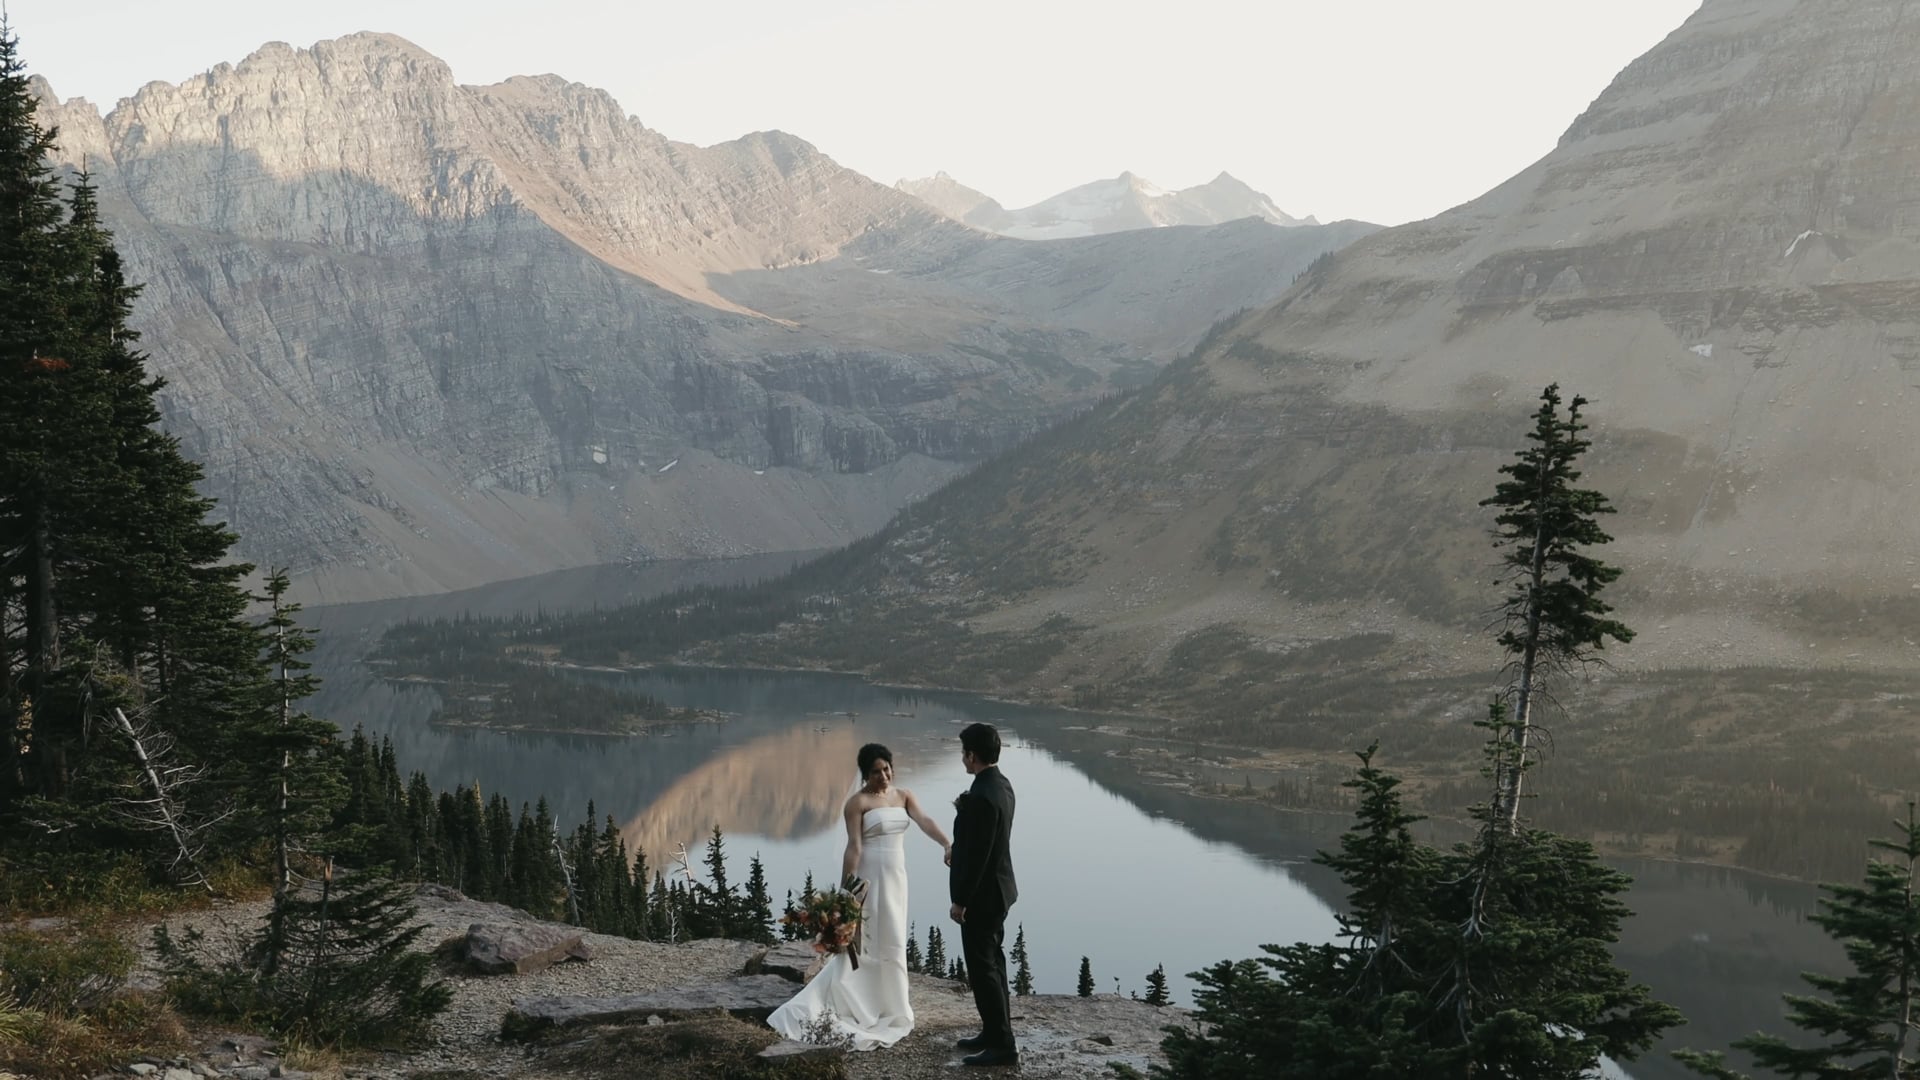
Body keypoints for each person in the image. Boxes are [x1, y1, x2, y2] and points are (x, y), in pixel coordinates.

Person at [768, 743, 951, 1050]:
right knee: (866, 941)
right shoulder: (857, 803)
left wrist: (947, 843)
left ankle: (893, 1005)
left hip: (897, 878)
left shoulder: (904, 796)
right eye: (877, 771)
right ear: (865, 774)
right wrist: (844, 891)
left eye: (887, 768)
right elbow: (854, 847)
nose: (884, 775)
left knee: (892, 938)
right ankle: (859, 1001)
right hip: (870, 878)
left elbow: (925, 821)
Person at [948, 722, 1018, 1067]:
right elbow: (986, 844)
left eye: (964, 752)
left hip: (982, 897)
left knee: (983, 970)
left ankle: (1002, 1045)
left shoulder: (981, 796)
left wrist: (960, 900)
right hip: (1000, 890)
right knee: (995, 964)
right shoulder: (1001, 786)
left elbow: (978, 856)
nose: (962, 758)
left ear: (972, 755)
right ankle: (994, 1031)